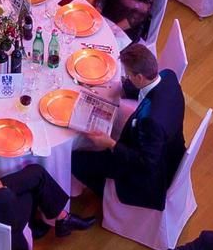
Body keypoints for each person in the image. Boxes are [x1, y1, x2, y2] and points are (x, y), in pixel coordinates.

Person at [65, 42, 185, 227]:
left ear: (139, 76)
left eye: (128, 75)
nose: (126, 78)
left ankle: (104, 192)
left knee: (74, 160)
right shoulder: (168, 77)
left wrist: (111, 144)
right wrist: (125, 88)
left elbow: (145, 164)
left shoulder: (151, 122)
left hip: (149, 175)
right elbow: (146, 93)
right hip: (169, 148)